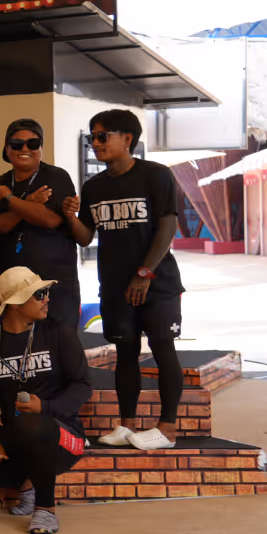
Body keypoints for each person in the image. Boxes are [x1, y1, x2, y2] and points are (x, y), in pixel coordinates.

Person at [64, 109, 186, 450]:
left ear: (127, 138)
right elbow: (86, 237)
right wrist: (70, 217)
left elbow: (168, 226)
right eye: (93, 137)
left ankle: (167, 429)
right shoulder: (94, 187)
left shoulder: (156, 175)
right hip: (115, 287)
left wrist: (144, 274)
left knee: (163, 348)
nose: (96, 143)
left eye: (103, 136)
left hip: (158, 284)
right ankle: (127, 426)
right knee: (125, 352)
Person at [0, 267, 93, 534]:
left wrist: (45, 408)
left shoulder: (59, 334)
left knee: (33, 423)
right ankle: (28, 481)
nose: (47, 298)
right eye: (39, 294)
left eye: (45, 292)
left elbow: (82, 386)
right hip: (17, 437)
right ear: (16, 303)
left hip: (64, 437)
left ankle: (45, 509)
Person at [0, 119, 79, 328]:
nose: (25, 149)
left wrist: (8, 199)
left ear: (41, 147)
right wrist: (27, 204)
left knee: (59, 344)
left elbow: (50, 219)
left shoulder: (56, 177)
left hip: (56, 285)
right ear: (6, 149)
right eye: (17, 144)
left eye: (32, 144)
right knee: (14, 344)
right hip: (12, 288)